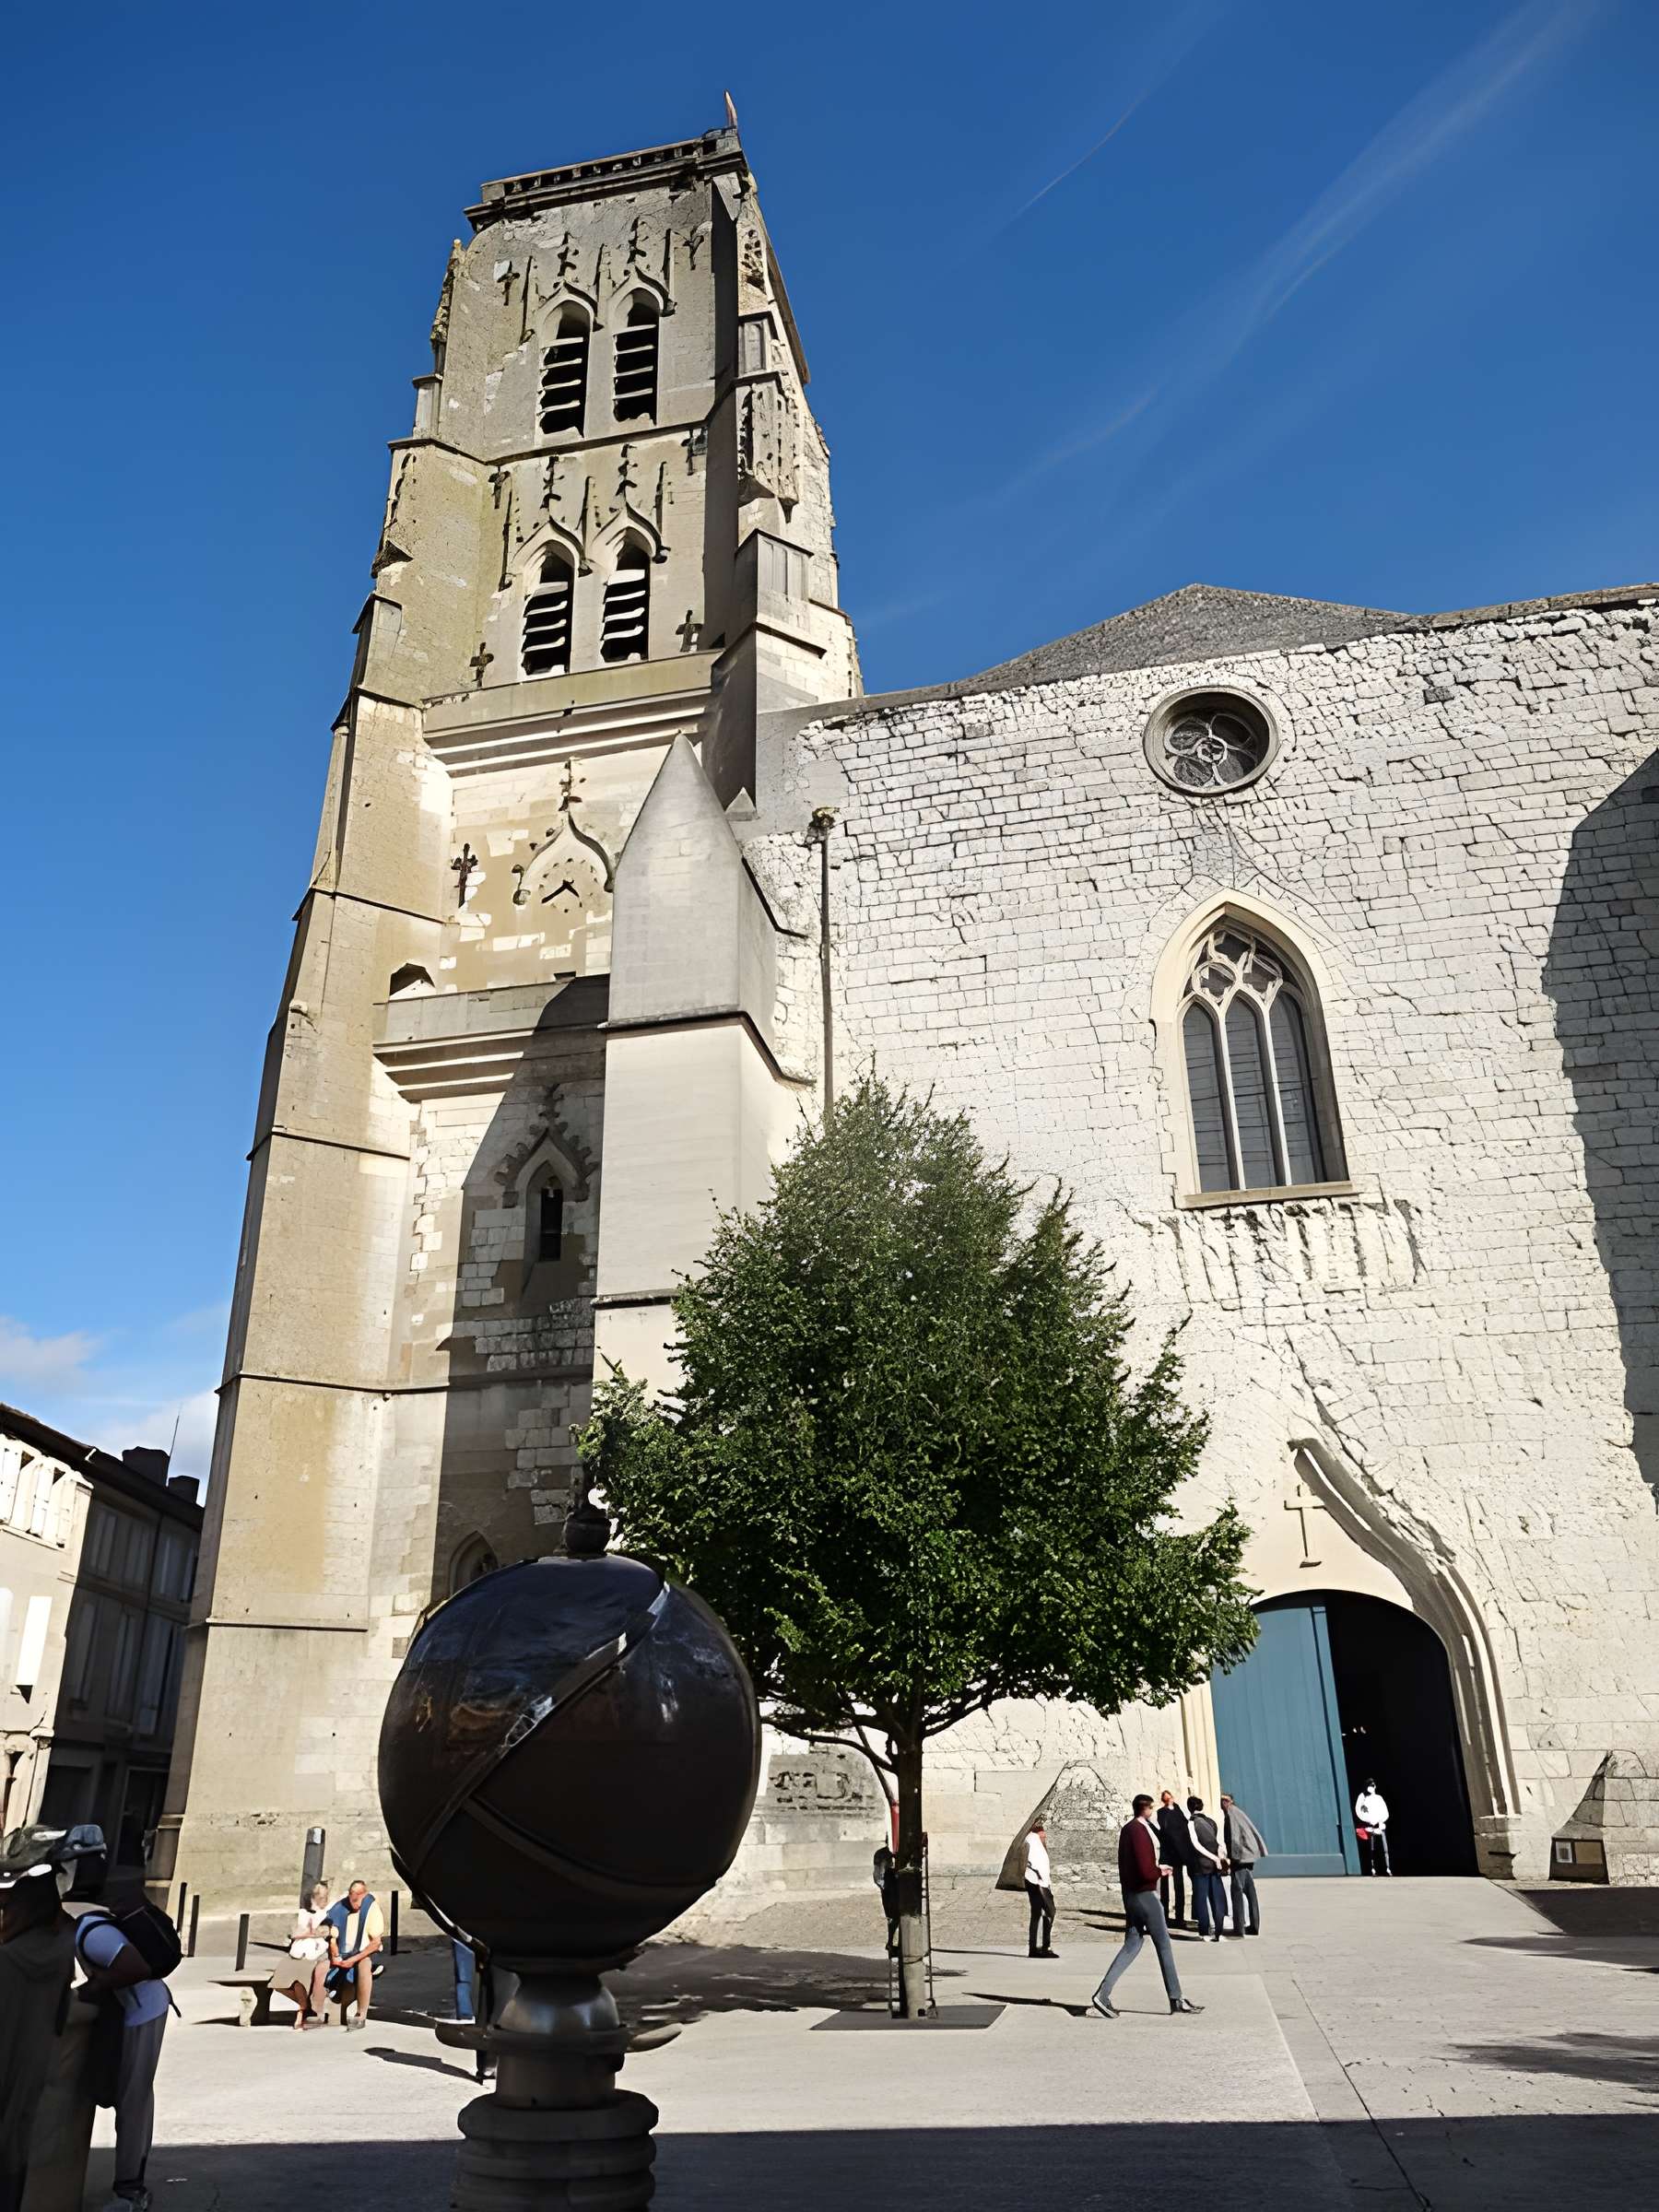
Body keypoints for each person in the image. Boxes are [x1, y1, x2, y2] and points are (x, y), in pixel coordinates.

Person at [75, 1882, 173, 2210]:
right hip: (130, 2011)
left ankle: (130, 2190)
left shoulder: (90, 1932)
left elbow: (136, 1968)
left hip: (142, 2012)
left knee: (133, 2100)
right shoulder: (86, 1929)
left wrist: (95, 1985)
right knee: (130, 2095)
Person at [0, 1831, 78, 2212]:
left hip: (6, 2053)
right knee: (16, 2142)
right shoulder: (62, 1946)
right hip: (38, 2055)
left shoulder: (9, 1956)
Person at [1090, 1794, 1202, 2019]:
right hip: (1145, 1896)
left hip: (1132, 1895)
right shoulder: (1138, 1831)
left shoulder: (1128, 1830)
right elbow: (1144, 1869)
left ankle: (1103, 1994)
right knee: (1164, 1945)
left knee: (1133, 1943)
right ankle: (1176, 1998)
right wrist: (1160, 1871)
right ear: (1147, 1809)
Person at [322, 1880, 384, 2028]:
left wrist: (354, 1959)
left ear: (364, 1895)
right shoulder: (340, 1908)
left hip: (363, 1953)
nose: (354, 1902)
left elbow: (375, 1943)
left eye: (357, 1899)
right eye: (352, 1898)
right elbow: (331, 1936)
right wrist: (334, 1953)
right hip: (342, 1955)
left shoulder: (371, 1909)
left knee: (364, 1965)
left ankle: (361, 2014)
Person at [276, 1883, 333, 2030]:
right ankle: (306, 2006)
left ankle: (302, 2011)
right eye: (320, 1897)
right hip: (297, 1953)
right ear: (312, 1898)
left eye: (325, 1897)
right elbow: (293, 1934)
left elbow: (325, 1932)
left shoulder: (328, 1913)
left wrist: (307, 1933)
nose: (323, 1900)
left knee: (301, 1975)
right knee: (279, 1980)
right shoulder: (302, 1914)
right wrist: (306, 1933)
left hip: (315, 1954)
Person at [1220, 1794, 1268, 1936]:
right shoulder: (1239, 1813)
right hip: (1246, 1859)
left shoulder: (1231, 1815)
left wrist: (1232, 1858)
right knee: (1250, 1893)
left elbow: (1234, 1838)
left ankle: (1239, 1928)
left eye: (1225, 1800)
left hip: (1239, 1861)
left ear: (1228, 1802)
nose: (1223, 1803)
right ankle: (1254, 1926)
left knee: (1237, 1893)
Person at [1185, 1795, 1228, 1940]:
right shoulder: (1212, 1822)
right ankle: (1219, 1931)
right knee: (1217, 1898)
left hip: (1200, 1866)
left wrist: (1213, 1858)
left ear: (1190, 1808)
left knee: (1201, 1899)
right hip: (1214, 1866)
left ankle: (1204, 1932)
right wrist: (1218, 1858)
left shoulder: (1191, 1823)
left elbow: (1195, 1845)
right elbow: (1218, 1843)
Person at [1156, 1789, 1192, 1928]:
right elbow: (1165, 1830)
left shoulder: (1177, 1810)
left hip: (1178, 1854)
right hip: (1167, 1853)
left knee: (1179, 1886)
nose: (1168, 1800)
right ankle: (1164, 1915)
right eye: (1165, 1799)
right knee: (1164, 1887)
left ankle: (1180, 1917)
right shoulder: (1161, 1812)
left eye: (1169, 1798)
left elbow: (1184, 1828)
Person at [1023, 1820, 1058, 1958]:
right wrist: (1042, 1881)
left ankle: (1037, 1947)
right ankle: (1043, 1947)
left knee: (1039, 1913)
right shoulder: (1032, 1840)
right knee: (1049, 1912)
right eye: (1043, 1832)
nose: (1045, 1836)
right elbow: (1032, 1862)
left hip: (1039, 1882)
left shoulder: (1035, 1841)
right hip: (1036, 1882)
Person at [1355, 1780, 1392, 1874]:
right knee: (1372, 1849)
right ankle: (1372, 1868)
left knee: (1385, 1849)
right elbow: (1360, 1812)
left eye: (1373, 1785)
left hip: (1380, 1826)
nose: (1372, 1786)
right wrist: (1370, 1822)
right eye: (1370, 1785)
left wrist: (1381, 1821)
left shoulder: (1379, 1798)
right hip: (1371, 1827)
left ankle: (1387, 1868)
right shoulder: (1364, 1798)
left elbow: (1385, 1812)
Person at [872, 1844, 900, 1956]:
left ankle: (892, 1944)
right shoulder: (882, 1854)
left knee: (894, 1918)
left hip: (891, 1889)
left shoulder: (883, 1854)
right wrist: (886, 1887)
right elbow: (878, 1876)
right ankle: (891, 1943)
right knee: (893, 1918)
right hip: (890, 1890)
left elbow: (878, 1877)